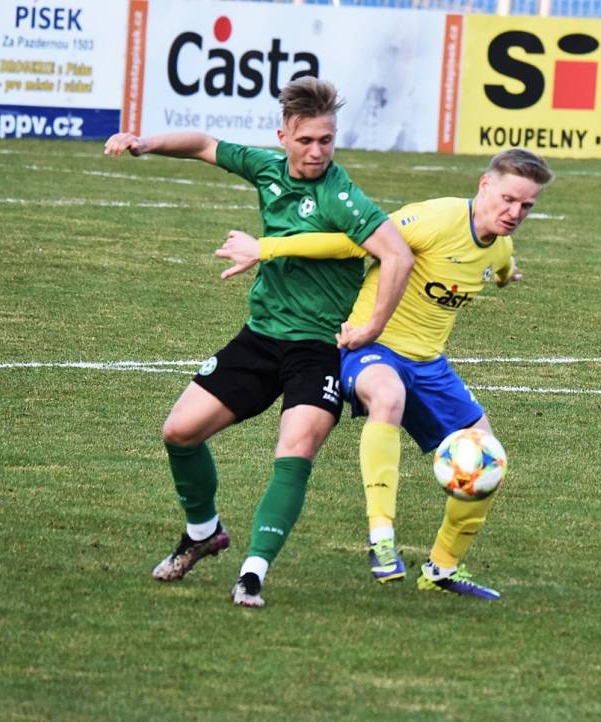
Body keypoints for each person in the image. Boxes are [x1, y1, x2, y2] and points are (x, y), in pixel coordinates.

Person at [103, 77, 413, 608]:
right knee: (179, 432)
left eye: (327, 140)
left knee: (293, 452)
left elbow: (398, 255)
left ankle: (253, 572)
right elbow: (203, 145)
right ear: (283, 136)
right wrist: (144, 142)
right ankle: (203, 532)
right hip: (260, 339)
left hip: (316, 349)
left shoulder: (342, 197)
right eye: (306, 140)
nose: (317, 151)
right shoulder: (266, 169)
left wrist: (371, 329)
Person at [217, 148, 553, 599]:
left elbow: (501, 266)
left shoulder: (501, 242)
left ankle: (441, 569)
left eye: (526, 206)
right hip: (369, 346)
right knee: (388, 396)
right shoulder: (434, 220)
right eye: (509, 199)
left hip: (430, 364)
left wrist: (507, 275)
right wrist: (265, 247)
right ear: (484, 185)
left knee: (488, 456)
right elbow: (349, 241)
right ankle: (381, 536)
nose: (515, 213)